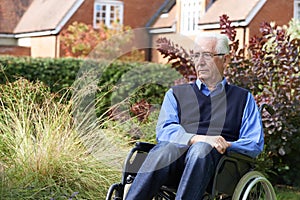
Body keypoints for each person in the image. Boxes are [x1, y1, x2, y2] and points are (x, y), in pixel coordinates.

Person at [125, 33, 264, 200]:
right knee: (167, 148)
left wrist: (225, 144)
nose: (200, 61)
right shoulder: (176, 94)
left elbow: (254, 143)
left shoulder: (243, 99)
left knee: (201, 150)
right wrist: (199, 138)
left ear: (225, 60)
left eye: (206, 55)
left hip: (218, 169)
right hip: (172, 165)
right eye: (196, 55)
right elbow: (164, 131)